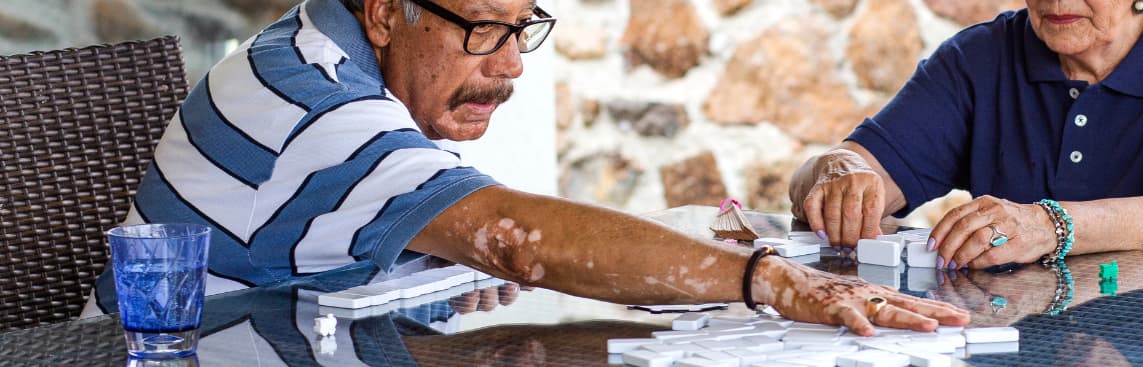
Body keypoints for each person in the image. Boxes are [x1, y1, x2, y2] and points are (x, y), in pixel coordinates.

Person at [83, 0, 968, 336]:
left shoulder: (339, 58)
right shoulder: (316, 100)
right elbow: (518, 241)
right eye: (481, 31)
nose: (508, 66)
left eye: (520, 29)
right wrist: (765, 280)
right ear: (387, 13)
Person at [789, 0, 1143, 269]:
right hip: (1020, 323)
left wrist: (1048, 226)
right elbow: (853, 171)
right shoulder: (980, 56)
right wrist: (839, 171)